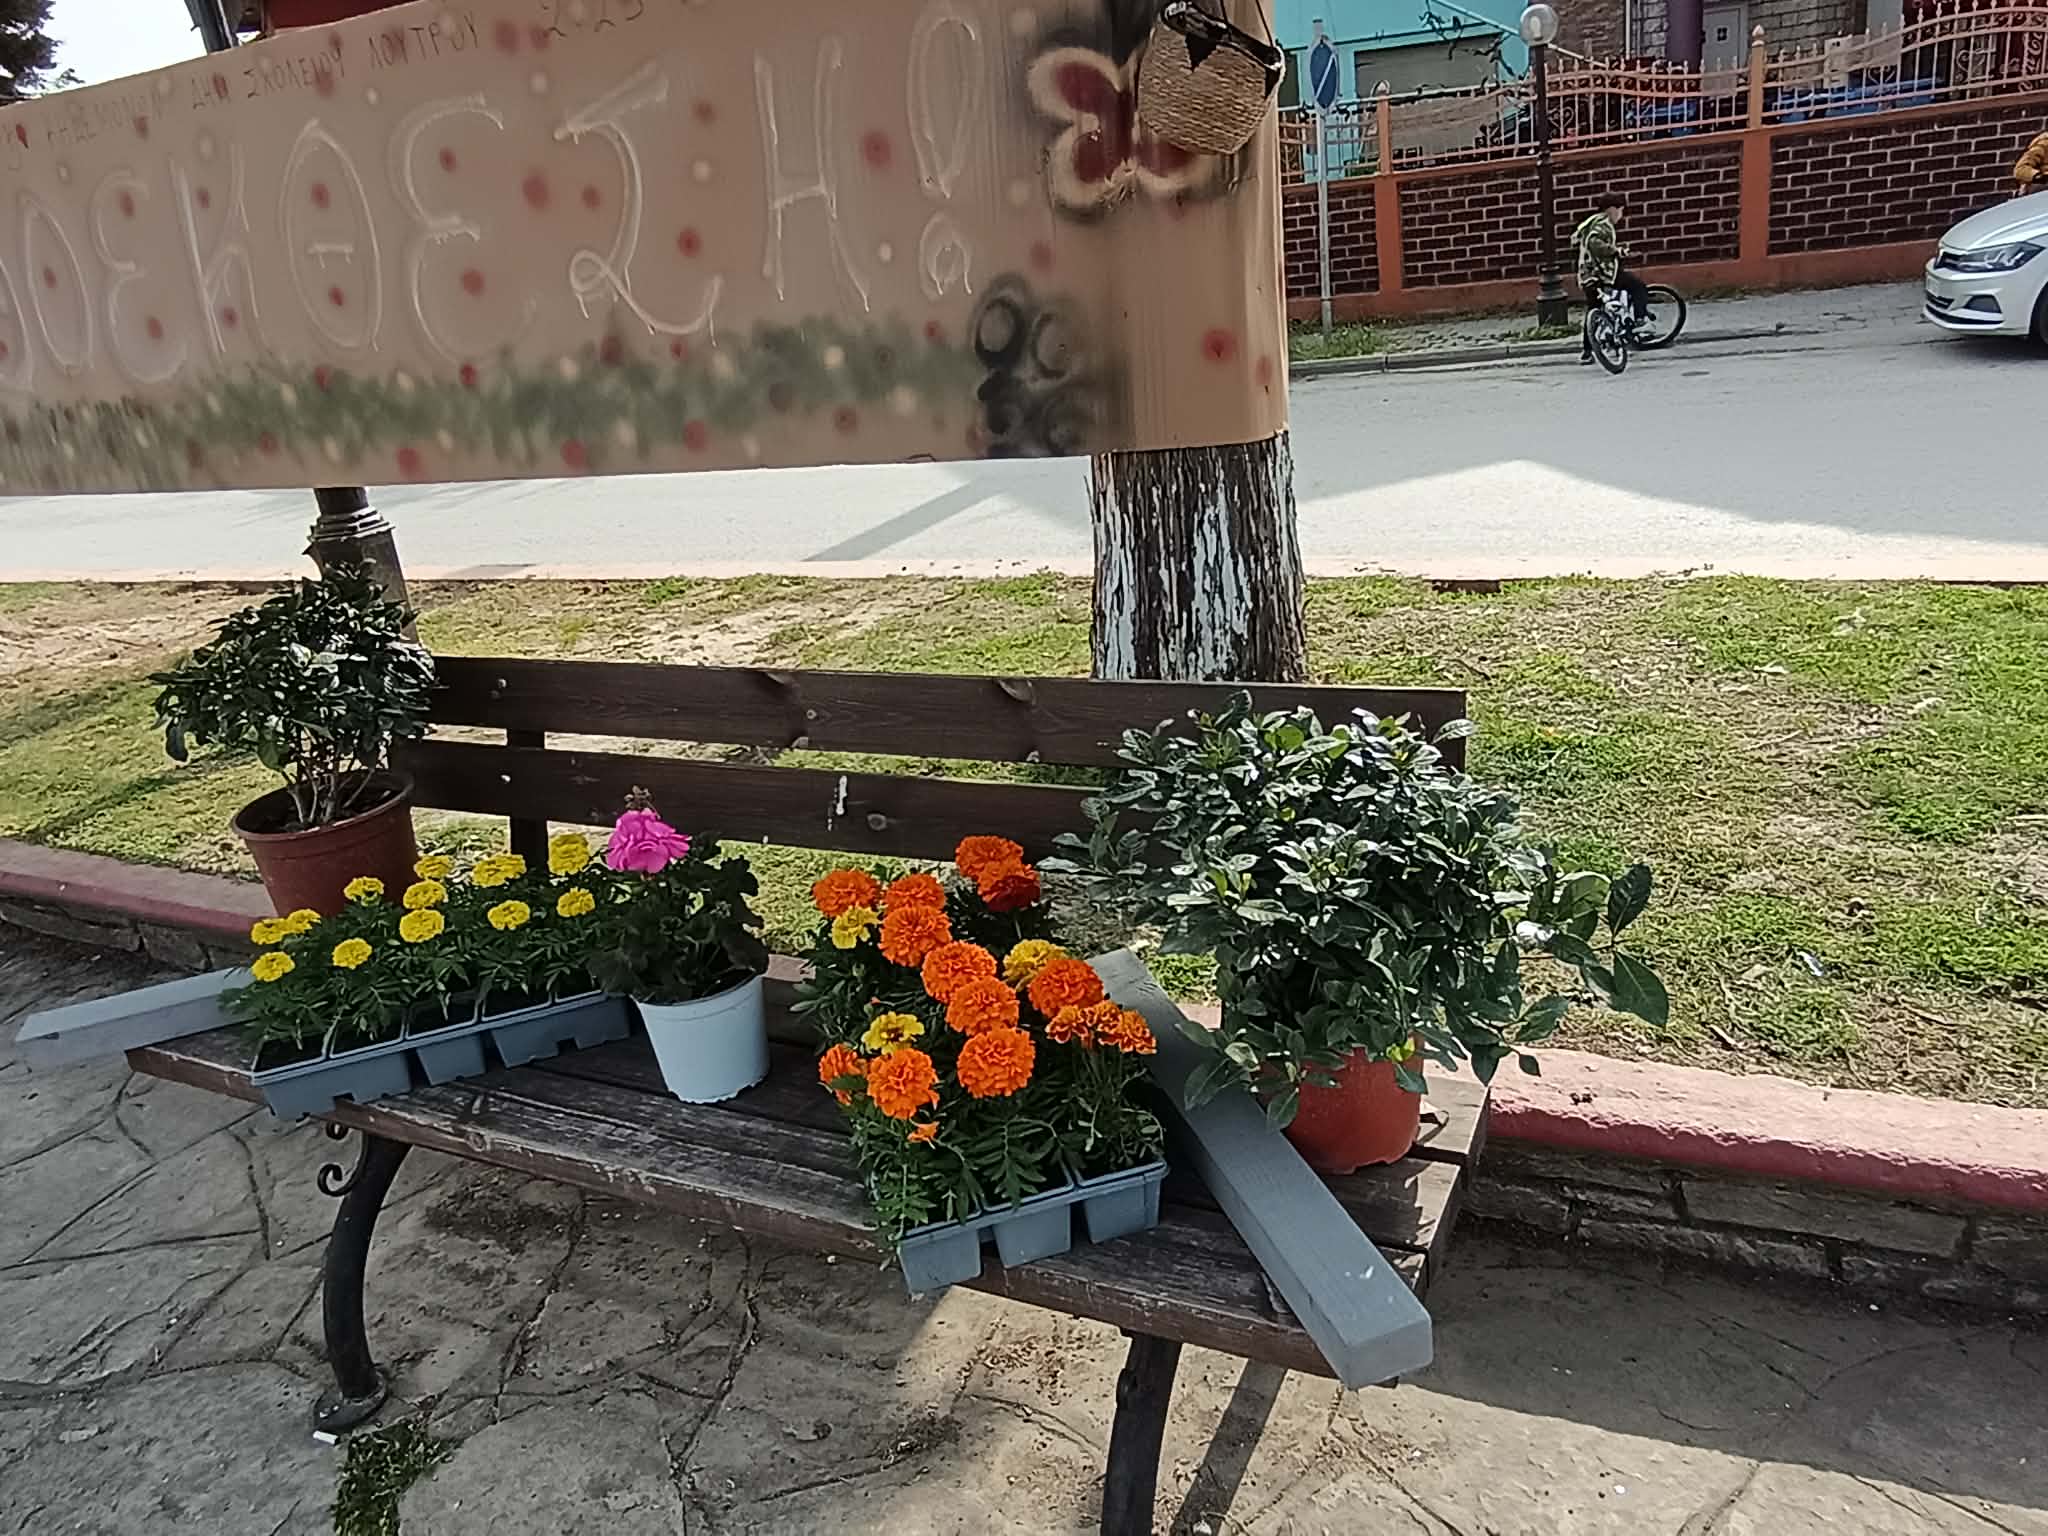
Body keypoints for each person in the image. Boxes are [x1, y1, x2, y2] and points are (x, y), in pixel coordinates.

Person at [1575, 195, 1649, 363]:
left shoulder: (1591, 222)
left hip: (1588, 275)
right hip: (1603, 273)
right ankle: (1640, 322)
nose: (1620, 216)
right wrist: (1615, 251)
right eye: (1621, 211)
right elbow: (1594, 243)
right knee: (1637, 287)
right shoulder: (1602, 223)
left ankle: (1587, 351)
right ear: (1612, 209)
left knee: (1594, 311)